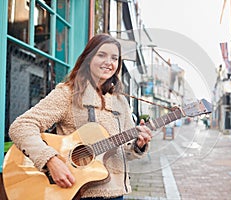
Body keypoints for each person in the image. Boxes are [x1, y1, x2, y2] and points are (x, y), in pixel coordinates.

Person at [8, 33, 152, 200]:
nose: (109, 62)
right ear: (88, 59)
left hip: (117, 193)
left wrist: (138, 145)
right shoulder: (68, 93)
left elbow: (124, 154)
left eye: (114, 58)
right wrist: (50, 160)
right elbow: (20, 127)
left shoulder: (121, 101)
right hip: (76, 192)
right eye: (102, 55)